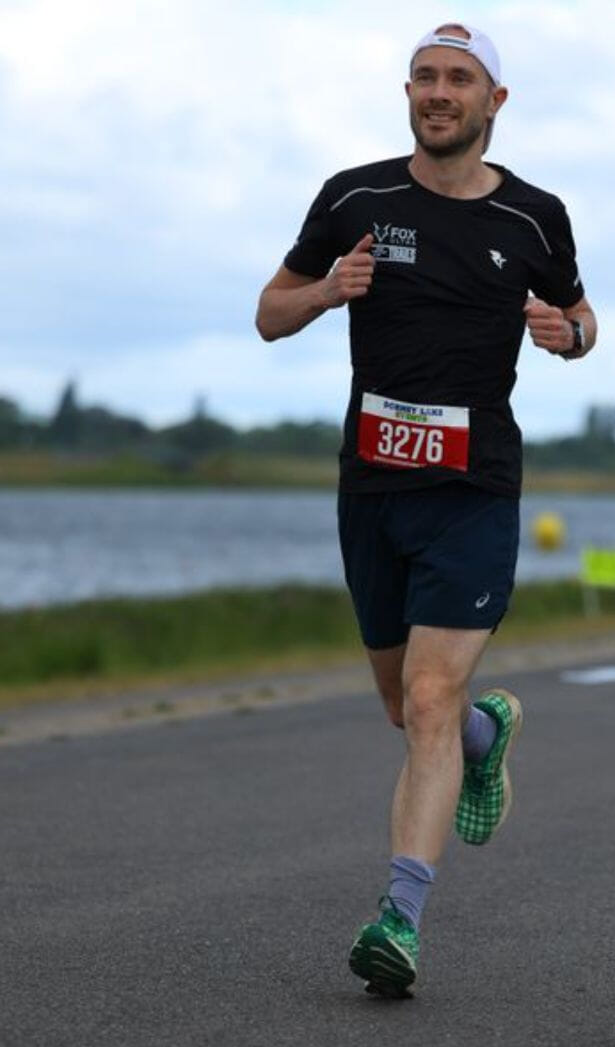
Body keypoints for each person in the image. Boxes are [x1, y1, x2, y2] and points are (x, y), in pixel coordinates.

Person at [255, 24, 595, 998]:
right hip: (372, 488)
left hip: (474, 488)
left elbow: (584, 315)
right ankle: (489, 737)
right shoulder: (354, 198)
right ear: (408, 92)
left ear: (494, 101)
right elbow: (267, 311)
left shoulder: (535, 217)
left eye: (459, 79)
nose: (438, 92)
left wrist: (566, 332)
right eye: (425, 77)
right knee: (406, 706)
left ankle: (398, 918)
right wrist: (326, 290)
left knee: (428, 700)